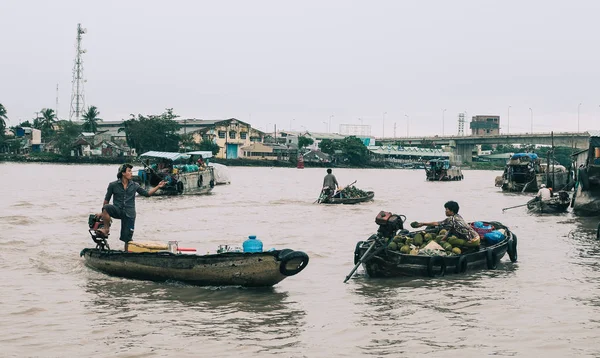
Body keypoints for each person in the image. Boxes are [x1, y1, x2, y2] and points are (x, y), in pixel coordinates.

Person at [97, 163, 166, 250]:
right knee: (106, 207)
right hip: (118, 210)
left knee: (127, 239)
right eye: (129, 171)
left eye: (131, 171)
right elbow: (106, 200)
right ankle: (106, 230)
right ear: (123, 173)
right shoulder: (113, 185)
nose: (131, 173)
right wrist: (103, 213)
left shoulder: (135, 185)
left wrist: (158, 186)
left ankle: (126, 254)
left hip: (130, 214)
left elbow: (147, 194)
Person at [413, 200, 480, 247]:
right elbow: (451, 229)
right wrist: (443, 238)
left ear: (452, 210)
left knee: (451, 241)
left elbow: (436, 223)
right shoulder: (458, 216)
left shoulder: (450, 219)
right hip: (477, 237)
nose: (445, 211)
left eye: (446, 209)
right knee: (445, 239)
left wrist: (422, 224)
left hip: (472, 241)